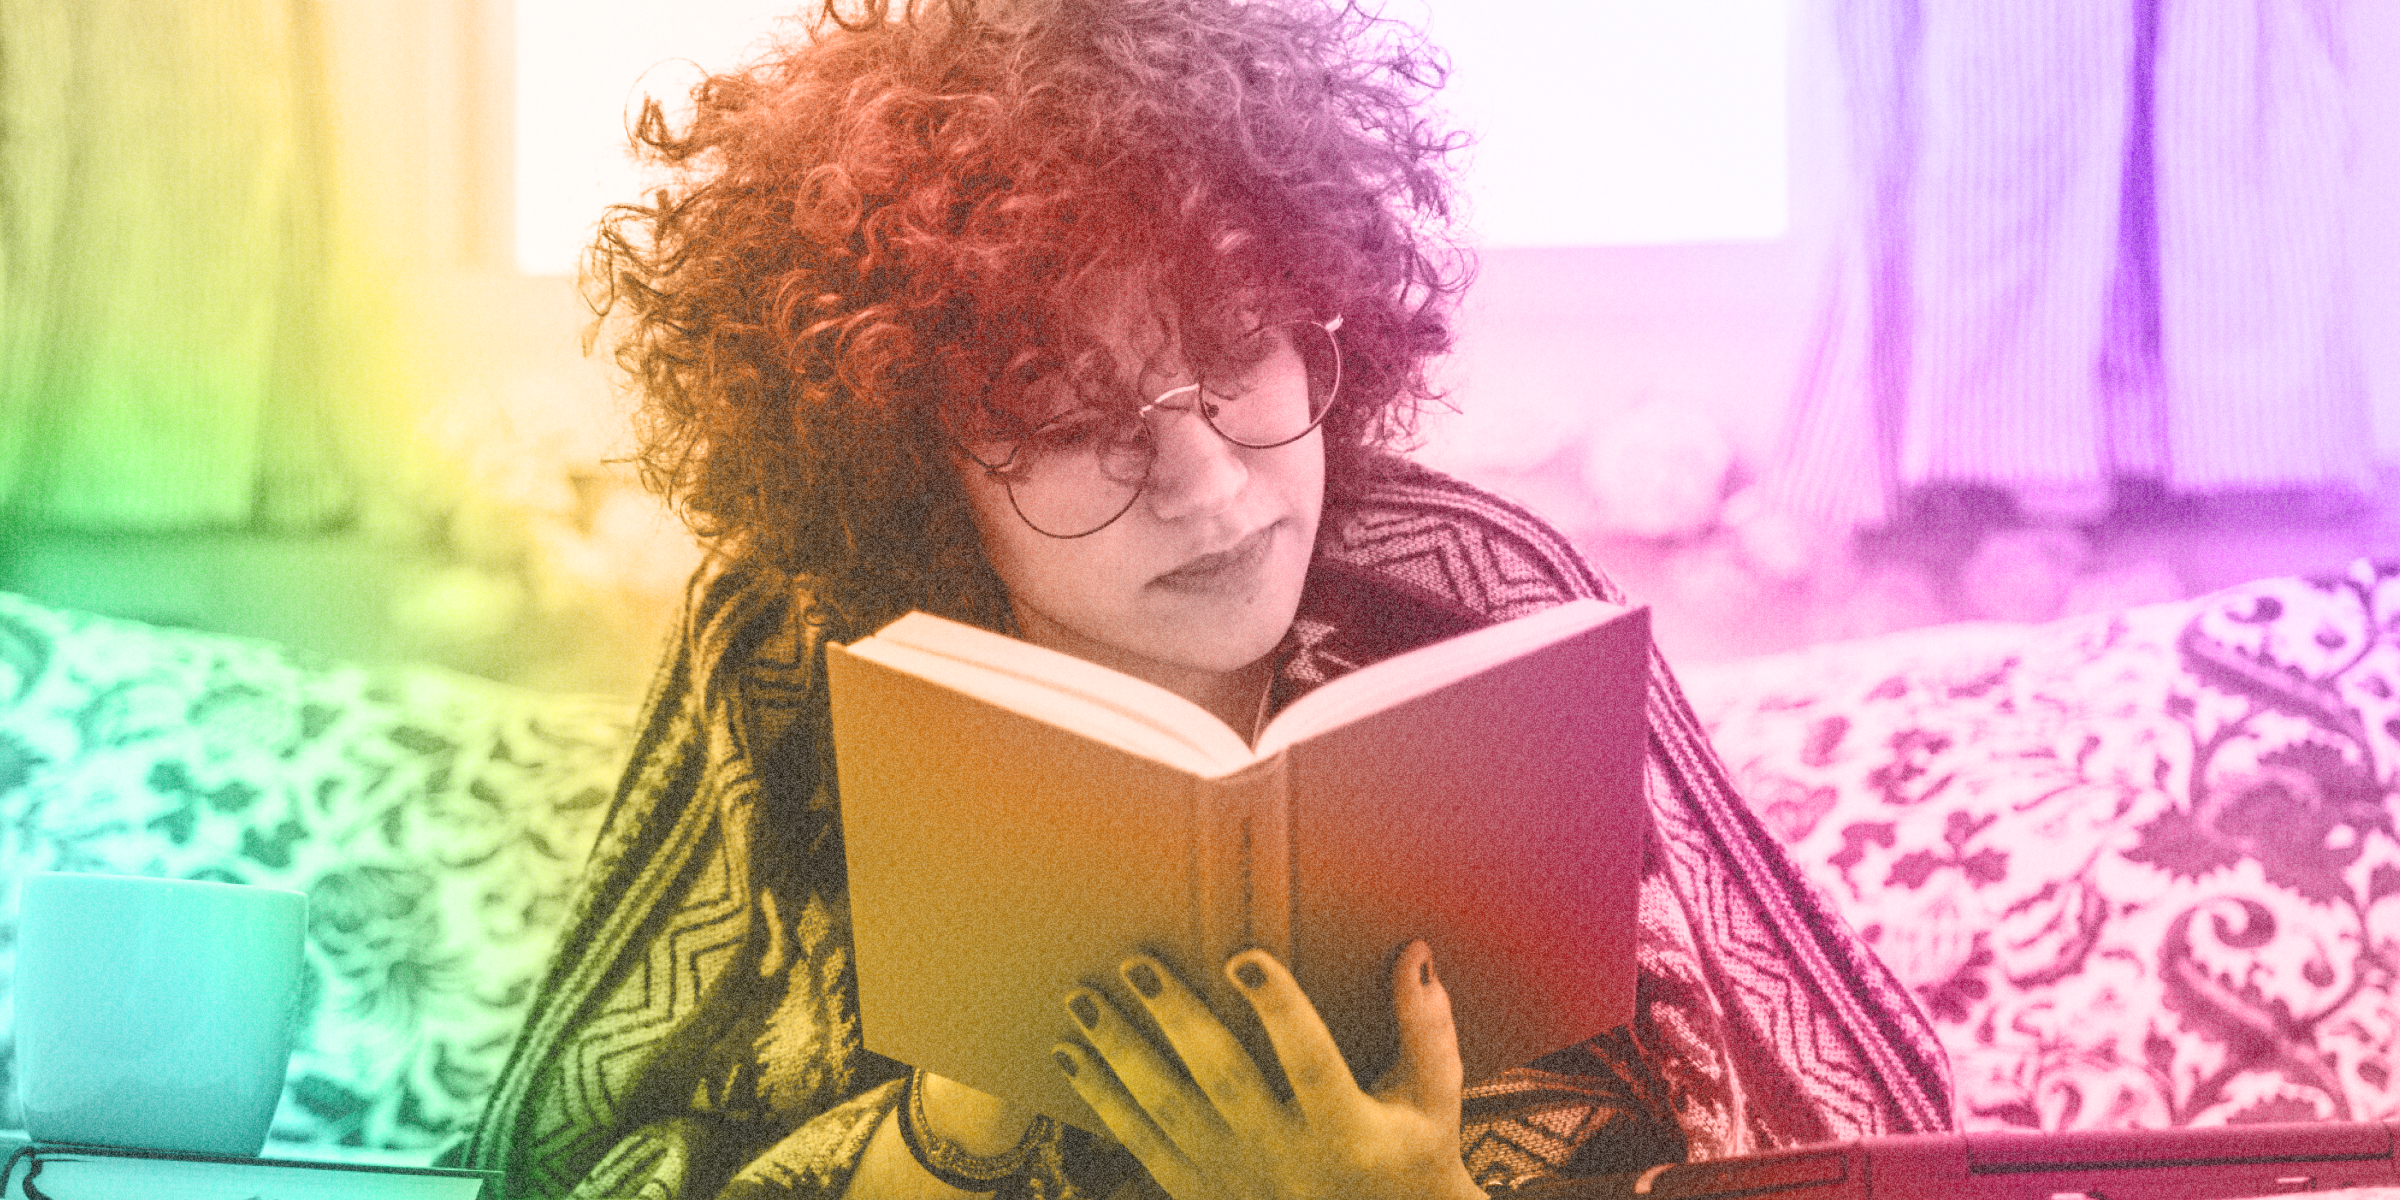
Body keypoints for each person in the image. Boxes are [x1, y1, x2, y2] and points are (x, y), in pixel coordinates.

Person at [457, 0, 1955, 1196]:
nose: (1211, 488)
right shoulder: (779, 656)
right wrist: (947, 1143)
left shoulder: (1486, 594)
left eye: (1237, 355)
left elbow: (1860, 1141)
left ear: (1327, 323)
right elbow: (562, 1162)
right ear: (915, 465)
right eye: (1064, 416)